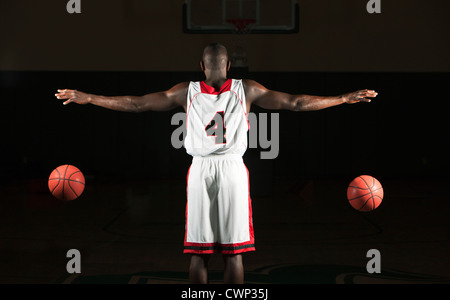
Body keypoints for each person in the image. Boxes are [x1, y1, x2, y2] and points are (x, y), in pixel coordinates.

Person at [55, 43, 377, 284]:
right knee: (234, 253)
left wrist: (90, 97)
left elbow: (137, 105)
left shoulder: (186, 91)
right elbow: (296, 103)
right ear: (228, 65)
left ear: (201, 65)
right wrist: (343, 98)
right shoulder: (247, 89)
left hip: (200, 171)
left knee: (198, 253)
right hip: (233, 171)